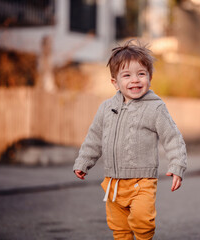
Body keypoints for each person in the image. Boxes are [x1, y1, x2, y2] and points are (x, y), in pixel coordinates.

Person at [73, 39, 187, 240]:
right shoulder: (106, 108)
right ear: (115, 82)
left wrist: (177, 165)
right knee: (119, 228)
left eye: (141, 74)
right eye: (127, 75)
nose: (135, 80)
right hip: (113, 182)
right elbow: (94, 138)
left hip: (142, 181)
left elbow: (172, 138)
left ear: (150, 77)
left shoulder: (155, 108)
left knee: (142, 221)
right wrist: (84, 162)